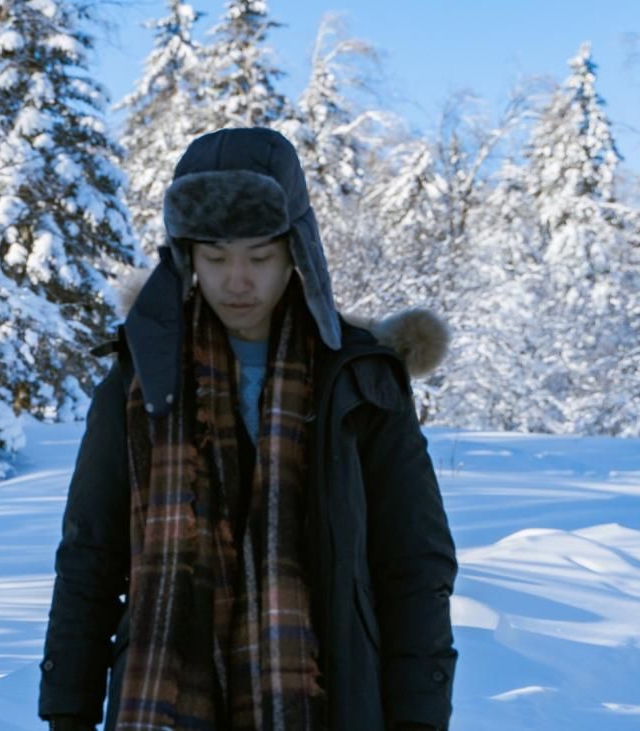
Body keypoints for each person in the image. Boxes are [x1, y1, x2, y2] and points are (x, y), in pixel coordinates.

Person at [37, 127, 458, 731]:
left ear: (297, 252)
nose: (237, 280)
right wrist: (68, 708)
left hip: (331, 697)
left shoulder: (360, 381)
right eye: (215, 256)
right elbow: (90, 555)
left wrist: (419, 714)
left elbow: (413, 561)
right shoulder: (140, 376)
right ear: (187, 257)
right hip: (162, 697)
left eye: (259, 256)